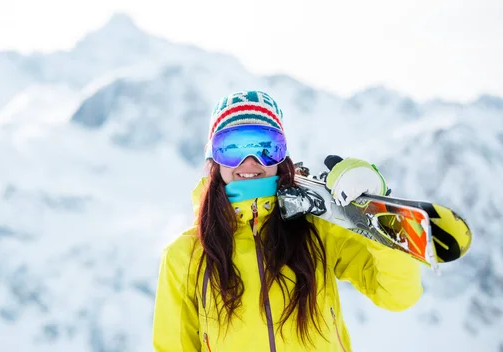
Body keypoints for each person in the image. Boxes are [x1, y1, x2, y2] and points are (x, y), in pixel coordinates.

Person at [152, 90, 422, 351]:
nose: (250, 161)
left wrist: (374, 214)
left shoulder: (318, 228)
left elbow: (398, 295)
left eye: (265, 147)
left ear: (282, 156)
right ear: (214, 159)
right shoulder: (184, 255)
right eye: (232, 148)